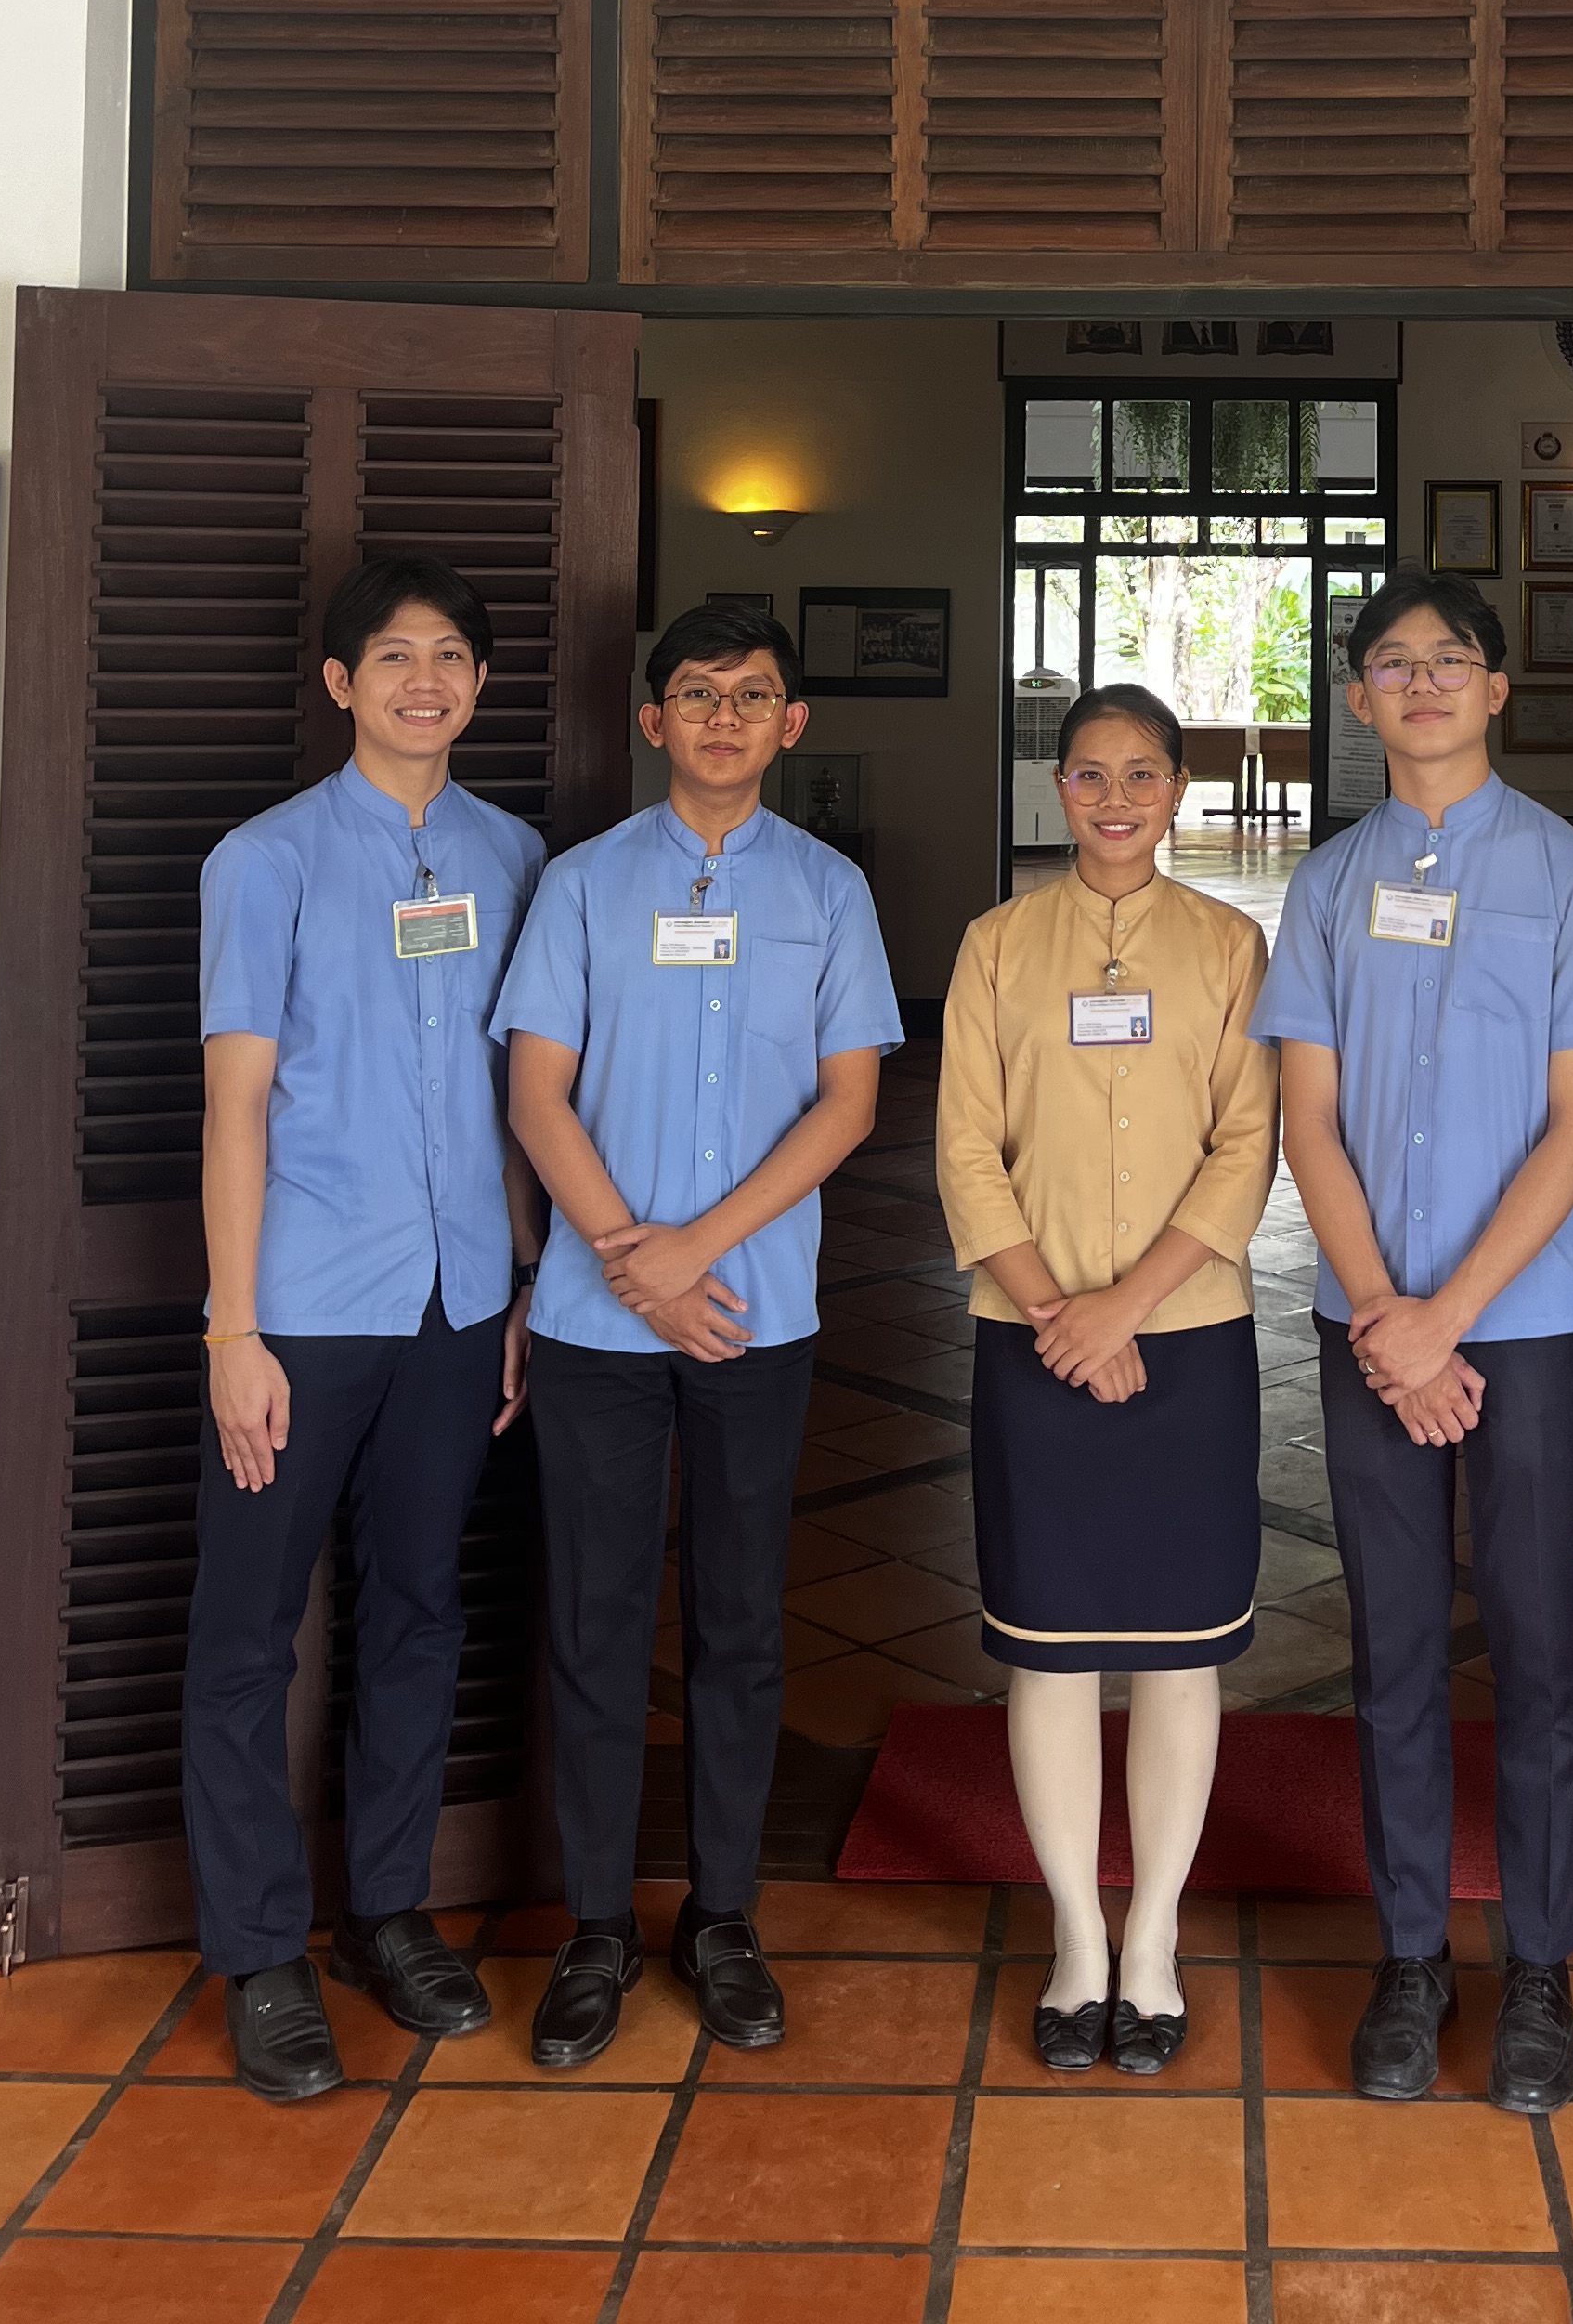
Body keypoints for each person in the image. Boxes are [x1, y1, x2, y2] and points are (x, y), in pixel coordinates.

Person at [1256, 567, 1573, 2118]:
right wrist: (1381, 1318)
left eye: (1448, 659)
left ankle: (1536, 1969)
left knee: (1539, 1649)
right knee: (1394, 1648)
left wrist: (1445, 1318)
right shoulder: (1326, 883)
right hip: (1370, 1325)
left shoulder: (1564, 873)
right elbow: (1307, 1120)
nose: (1420, 682)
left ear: (1494, 691)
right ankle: (1411, 1954)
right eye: (1390, 662)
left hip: (1520, 1326)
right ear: (1355, 698)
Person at [500, 599, 902, 2069]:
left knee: (739, 1625)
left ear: (792, 724)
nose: (724, 717)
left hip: (758, 1314)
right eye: (696, 694)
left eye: (752, 695)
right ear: (654, 720)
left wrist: (695, 1256)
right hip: (600, 1332)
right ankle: (598, 1924)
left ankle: (723, 1916)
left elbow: (850, 1103)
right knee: (598, 1626)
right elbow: (538, 1093)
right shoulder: (586, 886)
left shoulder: (831, 892)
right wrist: (627, 1261)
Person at [183, 555, 545, 2104]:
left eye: (449, 654)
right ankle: (261, 1949)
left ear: (476, 683)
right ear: (340, 682)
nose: (423, 678)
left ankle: (386, 1910)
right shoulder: (264, 861)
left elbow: (523, 1096)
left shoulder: (515, 854)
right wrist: (231, 1327)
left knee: (417, 1608)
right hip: (303, 1308)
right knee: (246, 1636)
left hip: (459, 1297)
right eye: (392, 654)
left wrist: (521, 1286)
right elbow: (237, 1101)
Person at [936, 681, 1279, 2076]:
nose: (1118, 797)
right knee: (1053, 1646)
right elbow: (964, 1148)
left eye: (1144, 773)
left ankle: (1156, 1939)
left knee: (1182, 1650)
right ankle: (1079, 1935)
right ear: (1056, 789)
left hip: (1188, 1337)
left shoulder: (1230, 946)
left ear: (1179, 791)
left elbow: (1249, 1146)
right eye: (1090, 774)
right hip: (1032, 1339)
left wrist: (1124, 1309)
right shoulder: (999, 945)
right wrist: (1053, 1311)